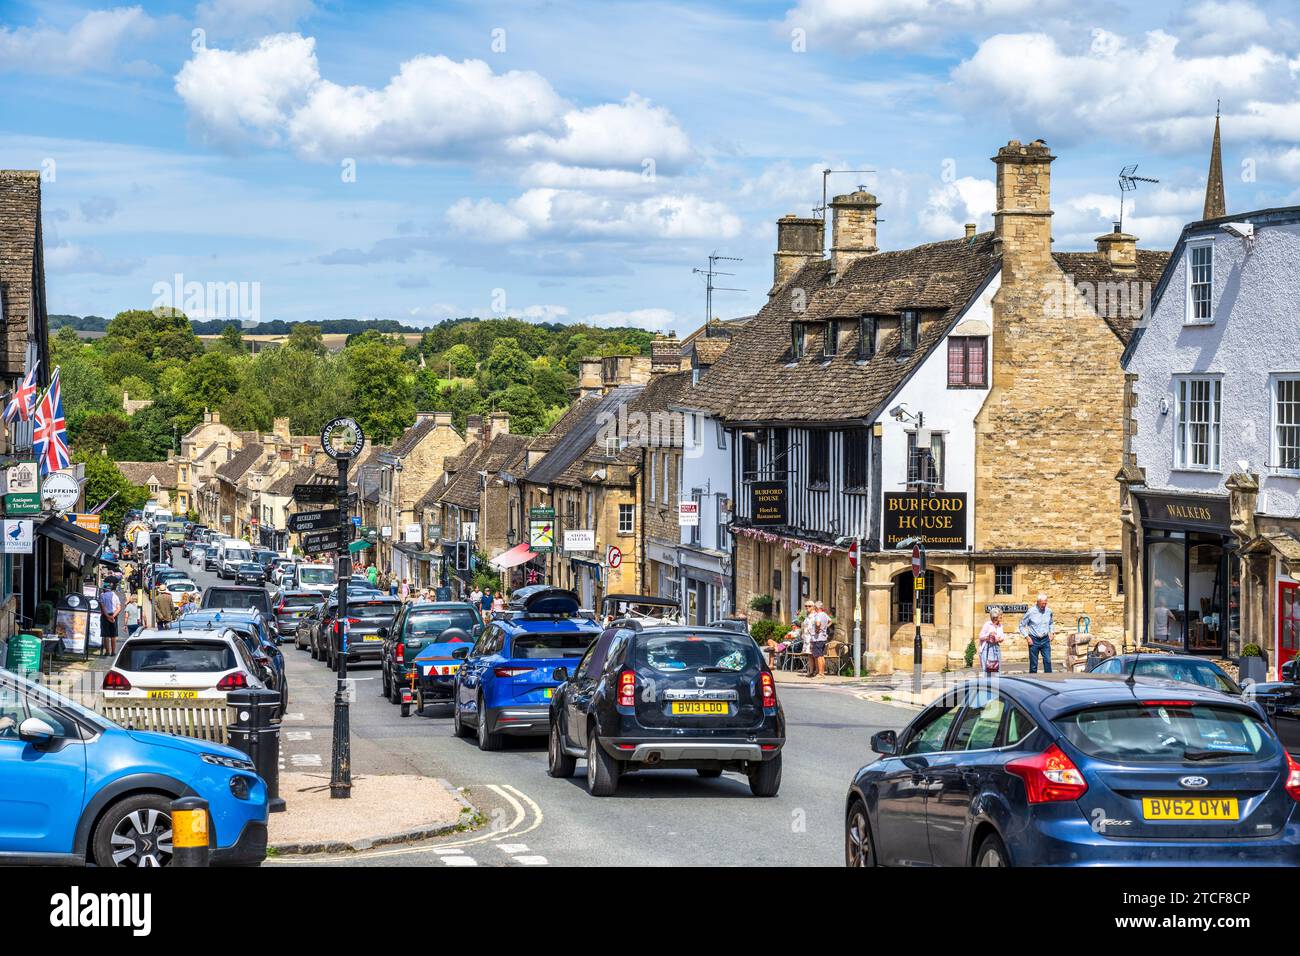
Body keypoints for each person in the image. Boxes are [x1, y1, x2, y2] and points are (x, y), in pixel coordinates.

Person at [1019, 592, 1055, 673]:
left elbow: (1051, 623)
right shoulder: (1031, 612)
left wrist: (1052, 632)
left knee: (1048, 661)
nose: (1044, 606)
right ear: (1037, 602)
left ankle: (1049, 681)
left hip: (1045, 639)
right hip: (1033, 640)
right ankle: (1033, 681)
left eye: (1045, 603)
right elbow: (1021, 626)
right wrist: (1027, 637)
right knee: (1033, 664)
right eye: (1042, 604)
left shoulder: (1049, 611)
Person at [808, 600, 832, 679]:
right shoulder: (825, 614)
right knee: (821, 656)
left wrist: (818, 630)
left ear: (816, 608)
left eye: (814, 607)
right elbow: (830, 621)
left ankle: (820, 674)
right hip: (823, 637)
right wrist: (825, 627)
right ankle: (821, 673)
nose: (814, 608)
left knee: (818, 656)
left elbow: (818, 624)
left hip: (817, 638)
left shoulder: (818, 615)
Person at [978, 606, 1006, 674]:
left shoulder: (1000, 625)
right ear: (995, 617)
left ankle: (997, 683)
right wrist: (989, 635)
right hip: (987, 648)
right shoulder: (987, 624)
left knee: (997, 667)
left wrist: (1000, 639)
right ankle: (987, 683)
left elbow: (1002, 636)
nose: (1001, 617)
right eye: (1000, 615)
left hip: (996, 647)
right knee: (986, 669)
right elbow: (980, 636)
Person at [99, 578, 120, 656]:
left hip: (105, 616)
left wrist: (107, 616)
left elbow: (103, 607)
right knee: (113, 635)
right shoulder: (115, 596)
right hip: (114, 616)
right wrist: (113, 616)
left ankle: (107, 651)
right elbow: (119, 608)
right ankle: (113, 652)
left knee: (106, 635)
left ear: (104, 589)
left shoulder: (102, 596)